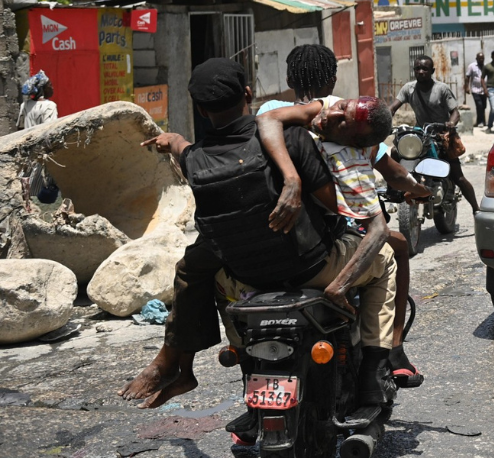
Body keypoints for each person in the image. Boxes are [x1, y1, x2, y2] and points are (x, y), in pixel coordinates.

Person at [122, 59, 399, 424]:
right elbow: (339, 207)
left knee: (210, 278)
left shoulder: (196, 161)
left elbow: (182, 148)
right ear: (249, 94)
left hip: (246, 278)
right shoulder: (291, 140)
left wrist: (169, 139)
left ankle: (241, 373)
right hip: (312, 268)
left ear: (202, 110)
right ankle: (374, 376)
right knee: (387, 261)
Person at [257, 44, 431, 387]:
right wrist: (420, 189)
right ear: (333, 79)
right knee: (395, 248)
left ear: (290, 78)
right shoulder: (349, 115)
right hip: (326, 238)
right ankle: (391, 350)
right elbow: (394, 174)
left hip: (273, 232)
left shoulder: (270, 110)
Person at [390, 56, 479, 216]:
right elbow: (393, 107)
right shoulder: (408, 88)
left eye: (424, 69)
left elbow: (455, 112)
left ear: (432, 71)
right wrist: (385, 118)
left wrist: (450, 123)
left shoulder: (442, 89)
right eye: (417, 68)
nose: (421, 71)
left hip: (442, 135)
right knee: (396, 152)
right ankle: (394, 188)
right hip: (421, 135)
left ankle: (476, 209)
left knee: (458, 177)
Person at [18, 70, 61, 203]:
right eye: (50, 85)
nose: (52, 87)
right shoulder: (50, 106)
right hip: (43, 153)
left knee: (26, 187)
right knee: (45, 190)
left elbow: (19, 127)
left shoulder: (24, 105)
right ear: (41, 89)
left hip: (27, 153)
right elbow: (50, 130)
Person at [465, 52, 488, 128]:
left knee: (484, 106)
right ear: (476, 59)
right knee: (479, 105)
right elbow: (467, 77)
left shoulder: (485, 67)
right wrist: (467, 87)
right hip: (475, 90)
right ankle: (480, 122)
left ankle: (482, 121)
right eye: (480, 58)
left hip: (483, 90)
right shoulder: (472, 66)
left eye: (482, 59)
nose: (481, 60)